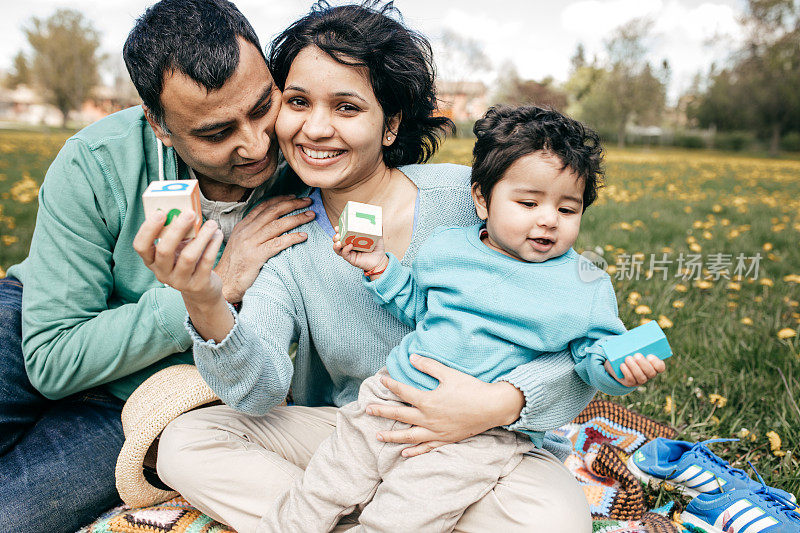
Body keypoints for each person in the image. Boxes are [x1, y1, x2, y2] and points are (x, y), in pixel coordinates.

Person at [143, 3, 654, 532]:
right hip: (352, 433)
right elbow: (259, 390)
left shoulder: (475, 199)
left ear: (390, 125)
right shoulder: (284, 233)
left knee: (553, 516)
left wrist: (500, 403)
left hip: (481, 442)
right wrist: (204, 299)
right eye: (298, 102)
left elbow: (572, 328)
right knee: (189, 442)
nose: (315, 128)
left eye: (346, 107)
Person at [258, 105, 668, 532]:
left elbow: (592, 357)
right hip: (388, 398)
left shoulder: (584, 284)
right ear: (481, 200)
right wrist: (381, 268)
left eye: (568, 210)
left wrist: (619, 369)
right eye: (528, 202)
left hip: (474, 438)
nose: (548, 219)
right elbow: (420, 308)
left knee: (401, 515)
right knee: (320, 488)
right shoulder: (449, 249)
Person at [0, 1, 311, 531]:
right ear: (160, 126)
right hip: (39, 325)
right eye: (216, 134)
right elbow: (50, 360)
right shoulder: (95, 160)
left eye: (263, 107)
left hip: (147, 395)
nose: (257, 144)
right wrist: (211, 288)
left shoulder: (310, 158)